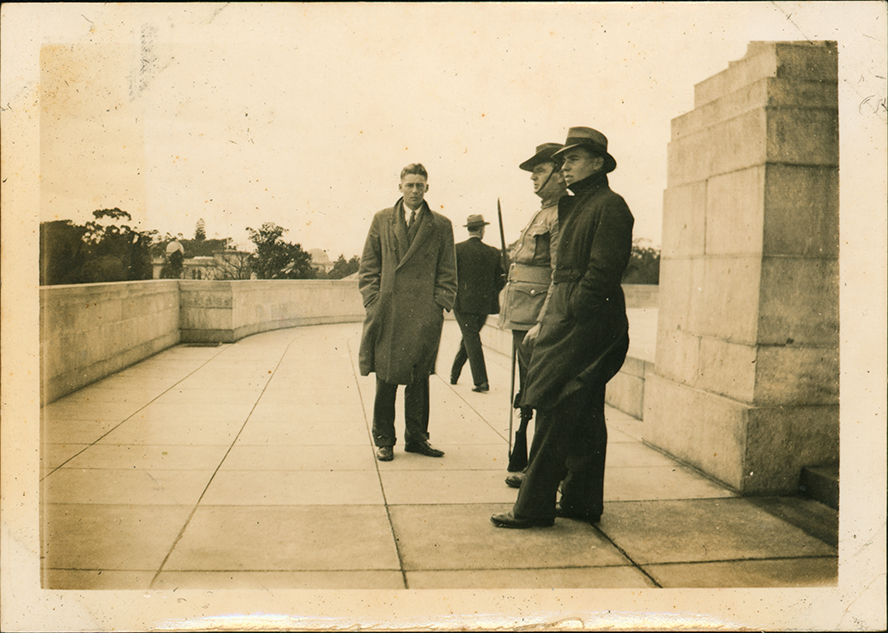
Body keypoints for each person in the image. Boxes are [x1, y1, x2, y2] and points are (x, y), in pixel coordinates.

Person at [491, 127, 634, 528]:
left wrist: (566, 314)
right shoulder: (583, 205)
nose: (564, 167)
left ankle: (532, 507)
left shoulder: (609, 206)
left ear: (597, 163)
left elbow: (600, 277)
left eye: (572, 159)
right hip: (580, 322)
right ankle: (581, 502)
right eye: (563, 160)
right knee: (585, 415)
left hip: (585, 326)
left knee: (553, 411)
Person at [358, 163, 458, 462]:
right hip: (388, 311)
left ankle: (417, 438)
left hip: (423, 314)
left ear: (427, 187)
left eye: (420, 185)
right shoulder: (382, 219)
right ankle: (385, 439)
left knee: (419, 378)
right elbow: (368, 265)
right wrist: (373, 300)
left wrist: (437, 306)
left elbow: (448, 270)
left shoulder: (441, 224)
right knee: (386, 378)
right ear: (400, 186)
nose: (415, 190)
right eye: (409, 185)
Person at [497, 142, 567, 481]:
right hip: (521, 313)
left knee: (538, 390)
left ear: (557, 173)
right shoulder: (542, 211)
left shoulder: (559, 214)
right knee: (527, 388)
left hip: (535, 317)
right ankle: (529, 463)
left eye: (539, 171)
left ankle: (536, 468)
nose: (534, 178)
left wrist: (543, 319)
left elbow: (558, 273)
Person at [450, 214, 506, 393]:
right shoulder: (493, 252)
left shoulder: (456, 250)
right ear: (482, 230)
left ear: (469, 229)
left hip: (462, 304)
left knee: (470, 337)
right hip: (484, 306)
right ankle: (455, 373)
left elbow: (450, 277)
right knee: (471, 336)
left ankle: (480, 381)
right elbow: (501, 280)